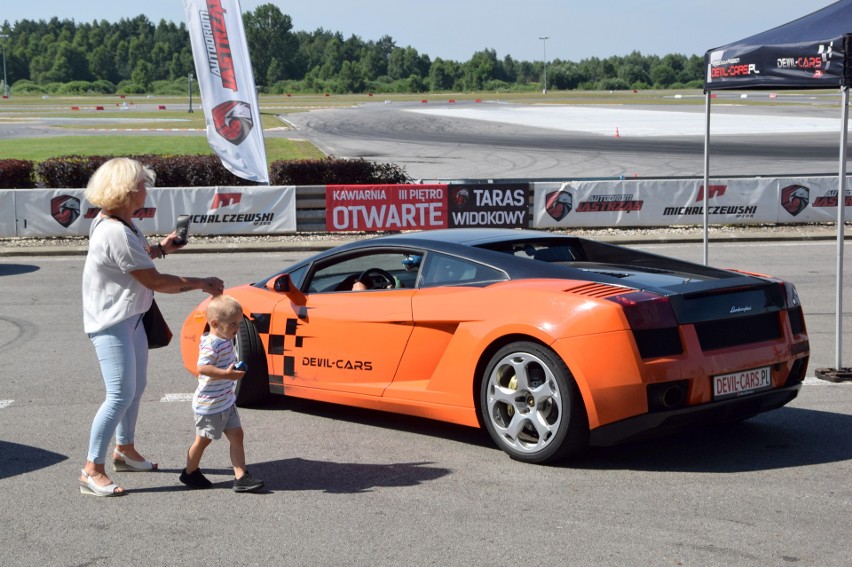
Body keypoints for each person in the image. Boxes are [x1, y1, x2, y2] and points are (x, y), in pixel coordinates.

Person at [80, 157, 224, 497]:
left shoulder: (119, 222)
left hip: (130, 320)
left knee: (135, 387)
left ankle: (124, 450)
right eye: (142, 186)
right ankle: (91, 469)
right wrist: (202, 282)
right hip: (112, 323)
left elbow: (138, 259)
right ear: (128, 192)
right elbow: (155, 281)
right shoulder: (116, 231)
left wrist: (163, 247)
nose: (146, 191)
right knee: (118, 396)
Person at [179, 294, 264, 493]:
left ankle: (241, 477)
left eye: (239, 323)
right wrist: (227, 374)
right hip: (210, 404)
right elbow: (203, 368)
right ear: (215, 323)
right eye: (233, 324)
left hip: (225, 400)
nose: (237, 329)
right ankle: (189, 472)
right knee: (203, 440)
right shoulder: (212, 343)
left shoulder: (226, 338)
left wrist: (232, 369)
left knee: (237, 435)